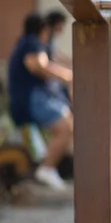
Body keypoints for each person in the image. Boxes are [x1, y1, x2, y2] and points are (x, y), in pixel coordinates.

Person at [8, 13, 73, 190]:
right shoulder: (32, 43)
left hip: (33, 99)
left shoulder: (29, 43)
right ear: (43, 30)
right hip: (32, 100)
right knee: (65, 128)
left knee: (68, 123)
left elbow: (55, 59)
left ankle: (51, 166)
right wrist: (68, 77)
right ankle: (47, 168)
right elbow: (38, 65)